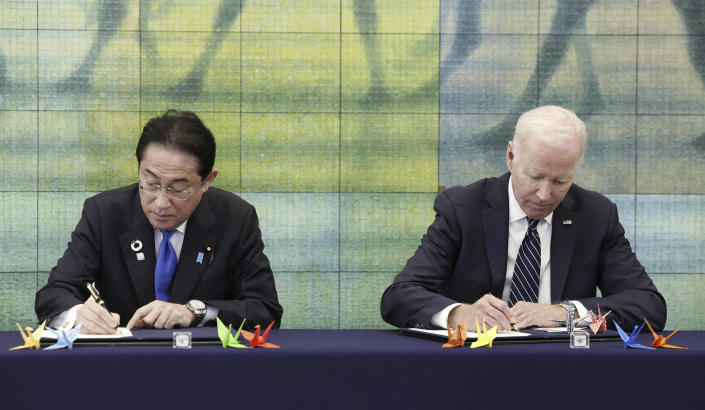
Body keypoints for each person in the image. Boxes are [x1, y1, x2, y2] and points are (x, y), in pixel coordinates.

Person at [380, 105, 666, 331]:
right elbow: (399, 296)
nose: (544, 194)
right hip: (473, 364)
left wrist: (564, 313)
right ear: (511, 155)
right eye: (535, 176)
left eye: (560, 181)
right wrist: (459, 314)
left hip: (565, 367)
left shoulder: (596, 215)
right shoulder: (462, 208)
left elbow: (648, 305)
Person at [36, 110, 282, 334]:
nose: (161, 203)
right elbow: (55, 293)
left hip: (202, 366)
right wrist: (77, 314)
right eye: (151, 183)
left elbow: (264, 310)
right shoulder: (104, 213)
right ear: (138, 165)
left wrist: (195, 312)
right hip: (119, 363)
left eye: (178, 189)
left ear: (207, 180)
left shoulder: (235, 218)